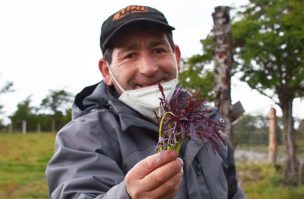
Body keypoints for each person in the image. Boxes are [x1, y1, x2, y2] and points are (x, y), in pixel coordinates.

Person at [45, 5, 245, 199]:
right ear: (106, 71)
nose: (148, 68)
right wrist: (128, 196)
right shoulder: (82, 137)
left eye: (158, 50)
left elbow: (233, 192)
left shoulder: (206, 122)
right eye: (130, 55)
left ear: (176, 57)